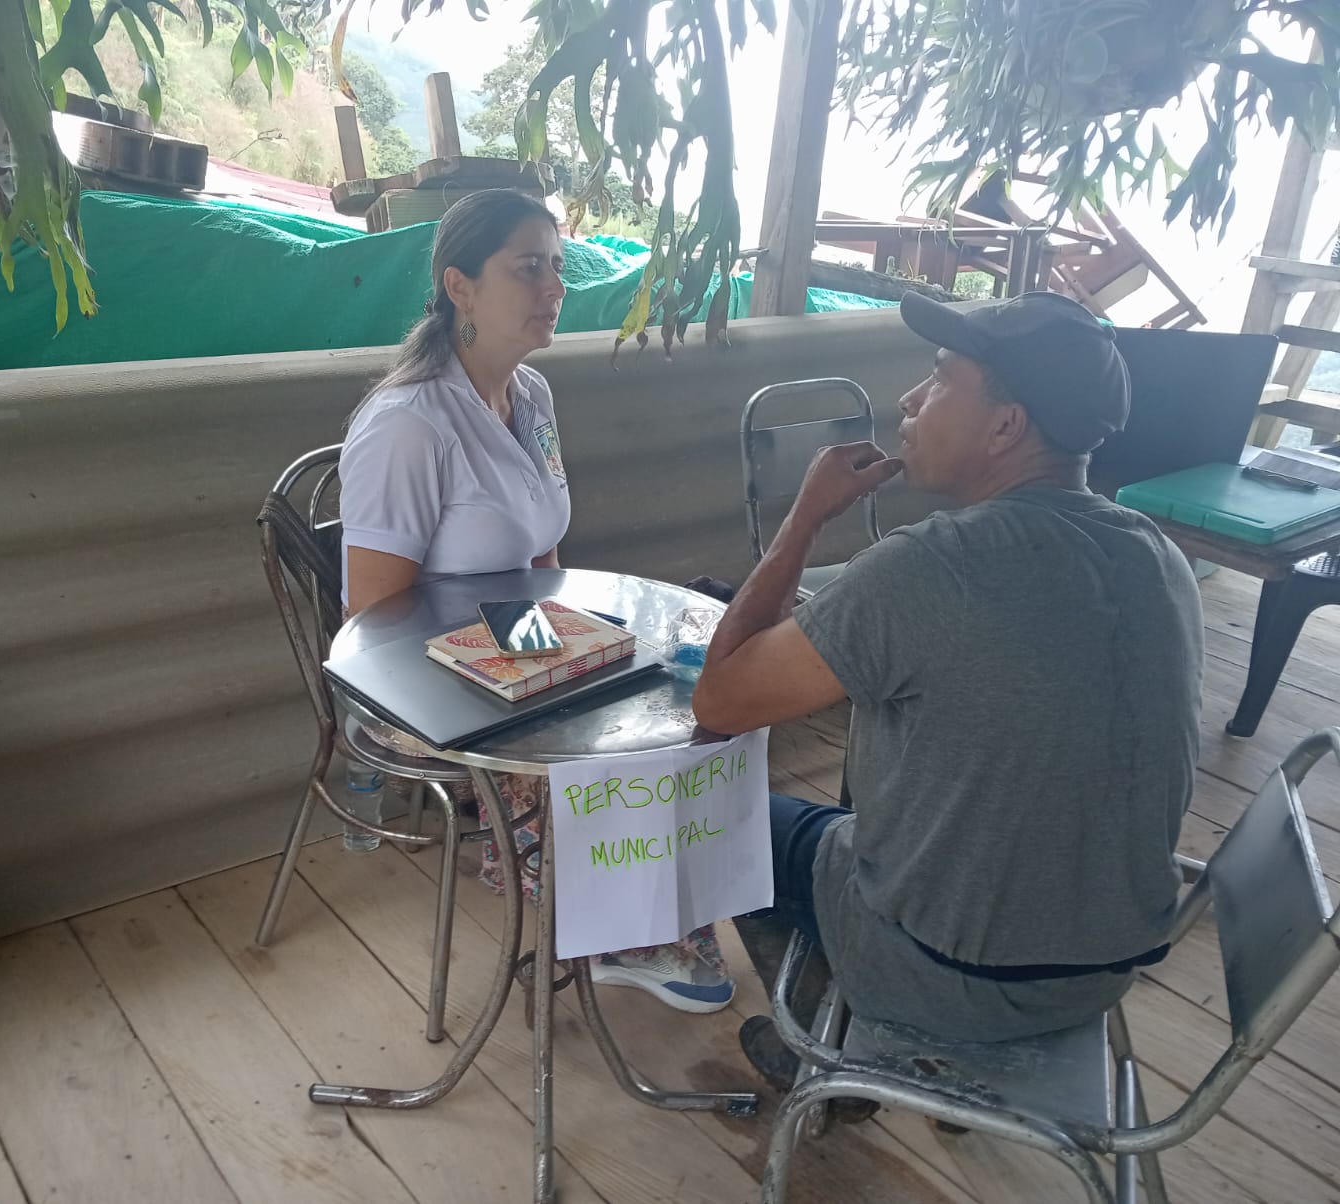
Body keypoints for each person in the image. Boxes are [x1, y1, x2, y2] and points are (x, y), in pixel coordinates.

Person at [691, 290, 1203, 1085]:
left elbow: (721, 701)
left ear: (1006, 427)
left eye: (938, 379)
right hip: (1102, 969)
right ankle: (843, 1018)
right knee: (860, 810)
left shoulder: (933, 566)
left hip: (948, 977)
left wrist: (805, 518)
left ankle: (831, 1050)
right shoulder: (1158, 556)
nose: (909, 401)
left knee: (710, 811)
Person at [339, 188, 735, 1013]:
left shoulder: (533, 398)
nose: (554, 287)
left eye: (557, 266)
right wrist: (527, 664)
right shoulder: (409, 424)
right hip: (421, 679)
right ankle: (615, 928)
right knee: (596, 745)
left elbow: (543, 556)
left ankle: (643, 911)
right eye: (528, 268)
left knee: (678, 697)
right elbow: (372, 621)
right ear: (459, 287)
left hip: (519, 644)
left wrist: (571, 642)